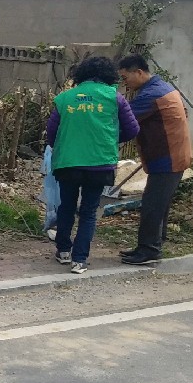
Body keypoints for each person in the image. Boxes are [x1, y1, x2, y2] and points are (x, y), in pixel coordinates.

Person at [47, 56, 140, 274]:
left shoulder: (64, 98)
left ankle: (63, 251)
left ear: (81, 75)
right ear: (109, 75)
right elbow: (133, 129)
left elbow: (52, 134)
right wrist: (109, 138)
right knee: (88, 212)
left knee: (66, 207)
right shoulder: (114, 98)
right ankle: (80, 260)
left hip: (68, 163)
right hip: (100, 163)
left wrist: (68, 145)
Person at [117, 54, 192, 265]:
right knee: (159, 205)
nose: (124, 83)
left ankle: (149, 250)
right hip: (171, 155)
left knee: (152, 205)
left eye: (125, 77)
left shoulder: (151, 95)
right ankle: (152, 245)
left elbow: (125, 121)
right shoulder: (163, 88)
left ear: (139, 72)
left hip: (167, 158)